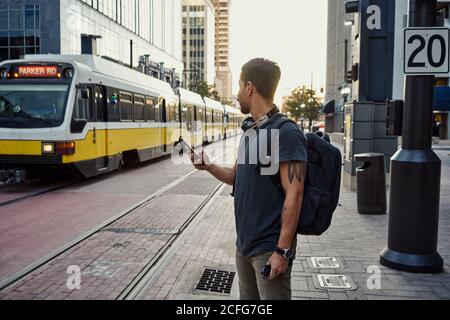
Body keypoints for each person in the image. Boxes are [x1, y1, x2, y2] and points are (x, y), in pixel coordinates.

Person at [190, 58, 308, 300]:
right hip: (244, 246)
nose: (237, 94)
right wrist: (209, 166)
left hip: (269, 249)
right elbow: (237, 176)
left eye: (239, 86)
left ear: (250, 87)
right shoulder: (250, 131)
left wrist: (282, 251)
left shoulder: (286, 133)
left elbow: (295, 195)